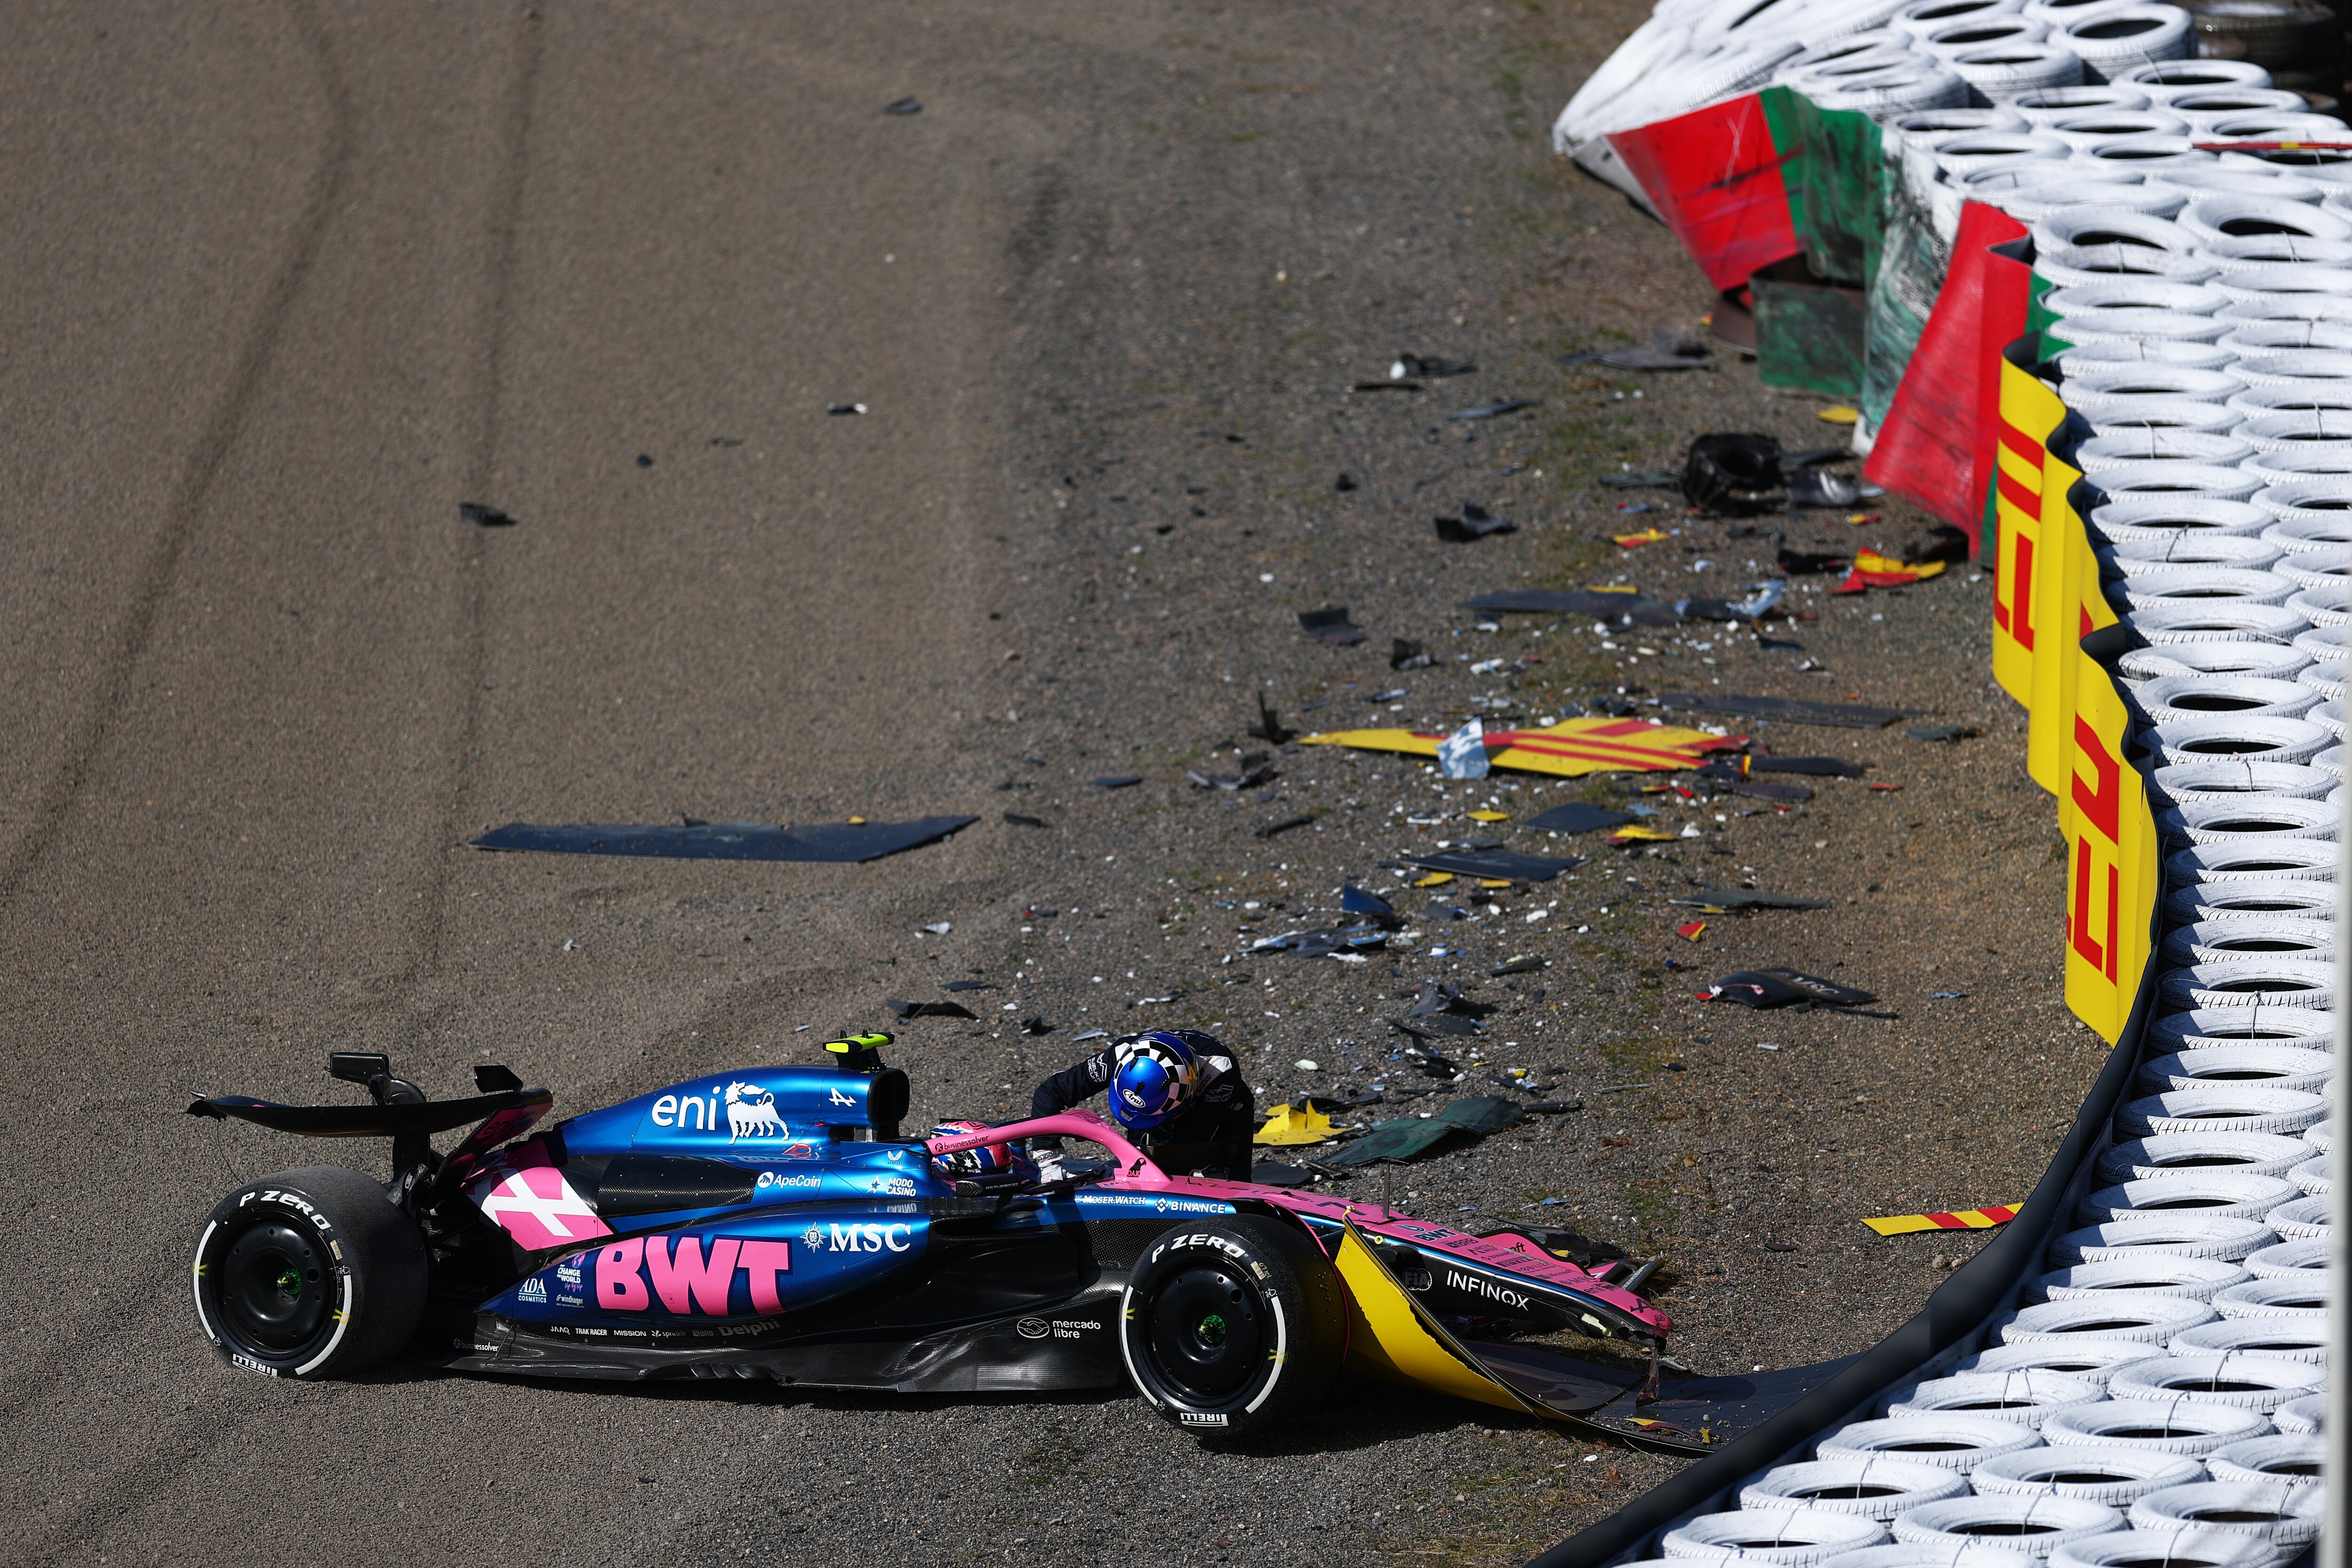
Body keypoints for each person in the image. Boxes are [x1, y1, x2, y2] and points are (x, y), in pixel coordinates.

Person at [1027, 1029, 1255, 1181]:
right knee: (1140, 1166)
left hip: (1224, 1106)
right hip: (1158, 1100)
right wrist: (1048, 1159)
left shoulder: (1220, 1072)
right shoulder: (1119, 1055)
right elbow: (1051, 1091)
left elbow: (1190, 1142)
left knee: (1226, 1175)